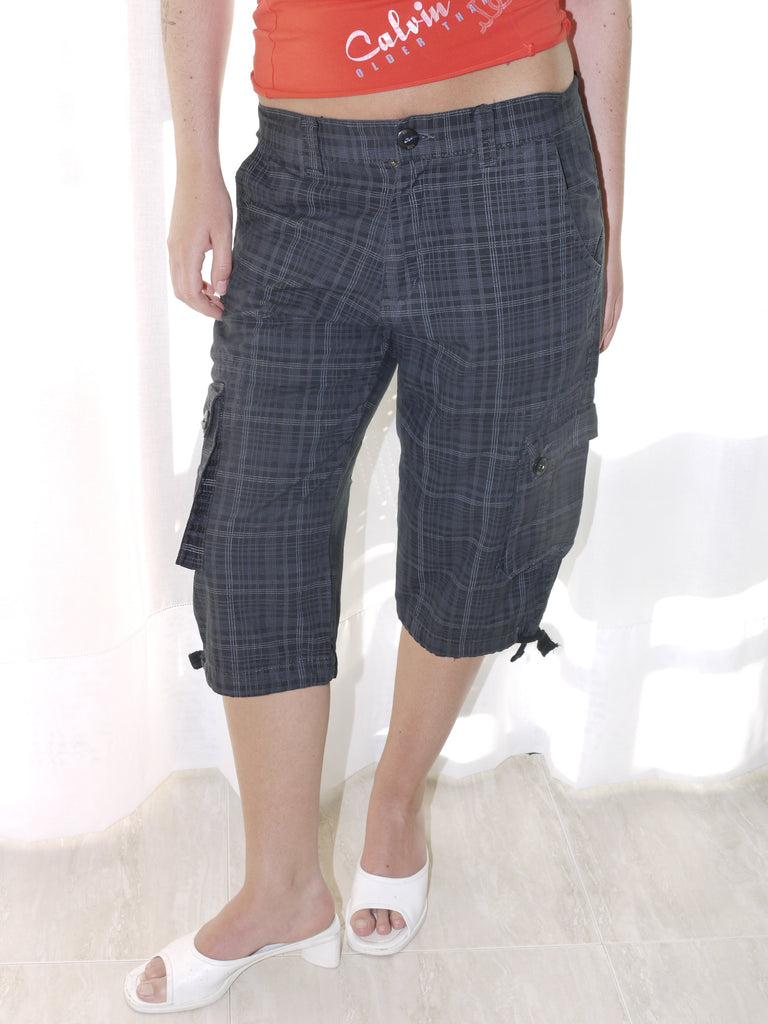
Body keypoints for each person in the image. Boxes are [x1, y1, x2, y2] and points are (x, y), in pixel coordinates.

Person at [126, 0, 630, 1012]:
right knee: (252, 531)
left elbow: (602, 9)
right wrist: (195, 167)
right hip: (309, 179)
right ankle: (280, 888)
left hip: (518, 168)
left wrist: (606, 226)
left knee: (485, 517)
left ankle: (396, 798)